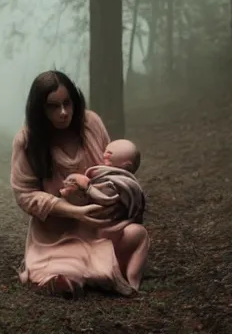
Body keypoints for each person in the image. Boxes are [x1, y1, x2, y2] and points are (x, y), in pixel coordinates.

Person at [10, 70, 150, 297]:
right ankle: (70, 275)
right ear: (40, 110)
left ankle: (109, 272)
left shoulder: (91, 123)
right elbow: (25, 195)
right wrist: (75, 211)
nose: (63, 113)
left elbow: (111, 170)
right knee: (66, 270)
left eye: (67, 103)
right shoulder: (27, 141)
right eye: (53, 106)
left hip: (99, 227)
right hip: (56, 235)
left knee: (136, 234)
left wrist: (116, 200)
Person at [59, 138, 146, 225]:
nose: (106, 153)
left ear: (126, 165)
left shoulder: (121, 182)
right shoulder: (104, 173)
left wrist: (89, 188)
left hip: (107, 215)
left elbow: (108, 199)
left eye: (111, 153)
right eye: (106, 151)